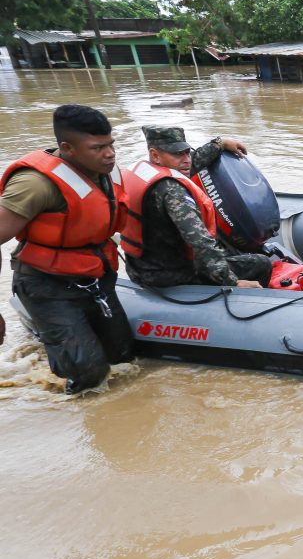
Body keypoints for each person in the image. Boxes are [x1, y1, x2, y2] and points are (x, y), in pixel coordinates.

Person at [0, 104, 134, 394]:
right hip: (48, 286)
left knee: (122, 358)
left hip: (95, 277)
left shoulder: (107, 171)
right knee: (89, 373)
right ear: (68, 148)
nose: (110, 153)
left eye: (111, 144)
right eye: (97, 147)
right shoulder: (35, 184)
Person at [120, 125, 272, 288]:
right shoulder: (173, 192)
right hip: (168, 275)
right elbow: (201, 243)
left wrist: (219, 144)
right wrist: (232, 282)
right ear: (155, 155)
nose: (186, 159)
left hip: (140, 266)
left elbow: (191, 162)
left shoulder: (145, 171)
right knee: (261, 263)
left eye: (186, 152)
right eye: (178, 154)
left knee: (225, 246)